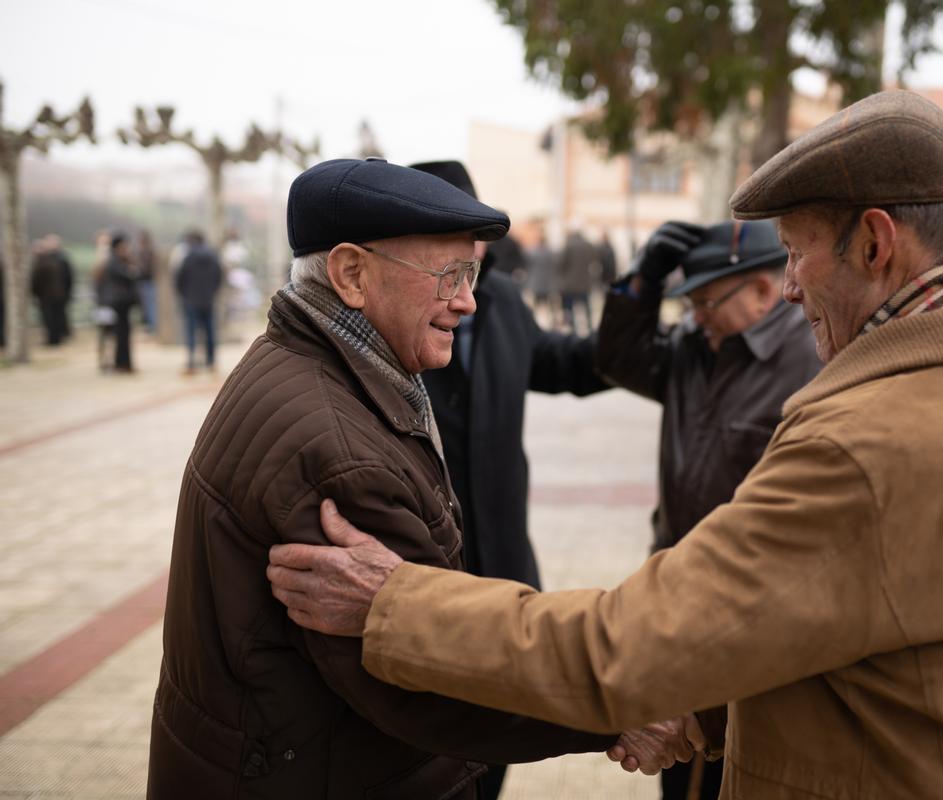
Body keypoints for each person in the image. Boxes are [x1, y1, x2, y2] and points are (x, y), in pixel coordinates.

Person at [268, 92, 943, 799]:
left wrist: (395, 605)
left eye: (795, 252)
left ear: (877, 243)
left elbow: (620, 649)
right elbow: (883, 660)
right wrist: (707, 711)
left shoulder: (875, 438)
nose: (788, 286)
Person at [148, 158, 695, 800]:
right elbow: (416, 682)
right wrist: (617, 707)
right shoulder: (338, 453)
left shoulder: (305, 355)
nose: (467, 299)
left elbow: (579, 364)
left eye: (475, 274)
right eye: (450, 274)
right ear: (352, 273)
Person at [596, 218, 823, 799]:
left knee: (730, 770)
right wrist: (641, 281)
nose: (694, 314)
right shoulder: (692, 351)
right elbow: (617, 357)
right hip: (676, 595)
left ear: (764, 291)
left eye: (705, 301)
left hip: (750, 613)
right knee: (679, 772)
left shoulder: (810, 363)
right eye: (688, 301)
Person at [408, 159, 612, 799]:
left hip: (500, 567)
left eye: (471, 234)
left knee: (492, 751)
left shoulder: (498, 300)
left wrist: (639, 313)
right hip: (422, 577)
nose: (466, 250)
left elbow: (564, 364)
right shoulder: (388, 323)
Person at [174, 230, 223, 374]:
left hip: (191, 300)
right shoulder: (213, 256)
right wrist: (212, 292)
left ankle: (191, 363)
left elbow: (179, 279)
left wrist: (184, 294)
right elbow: (219, 276)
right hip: (208, 299)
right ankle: (211, 362)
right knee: (210, 332)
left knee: (191, 332)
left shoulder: (187, 257)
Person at [94, 232, 138, 373]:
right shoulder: (113, 262)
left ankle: (118, 363)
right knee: (112, 335)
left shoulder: (115, 261)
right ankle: (114, 364)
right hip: (114, 304)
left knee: (116, 335)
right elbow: (128, 275)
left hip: (115, 303)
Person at [30, 235, 74, 346]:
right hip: (55, 294)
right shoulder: (52, 260)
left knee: (52, 317)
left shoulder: (48, 261)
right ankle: (56, 337)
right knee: (54, 317)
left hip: (50, 295)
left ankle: (54, 339)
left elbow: (67, 278)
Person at [559, 227, 596, 335]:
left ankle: (573, 329)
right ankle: (589, 327)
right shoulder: (588, 245)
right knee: (586, 307)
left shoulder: (568, 245)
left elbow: (561, 264)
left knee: (570, 308)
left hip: (570, 284)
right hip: (585, 282)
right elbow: (594, 260)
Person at [133, 229, 158, 333]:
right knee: (146, 306)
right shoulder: (143, 252)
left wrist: (137, 269)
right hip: (144, 282)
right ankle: (149, 325)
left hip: (147, 281)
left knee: (150, 305)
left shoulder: (148, 252)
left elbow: (147, 268)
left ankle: (152, 326)